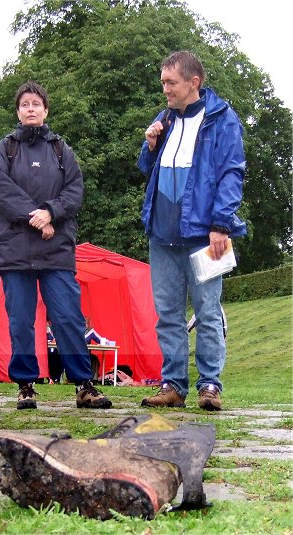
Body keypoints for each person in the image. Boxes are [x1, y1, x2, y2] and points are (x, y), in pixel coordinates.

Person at [0, 80, 111, 410]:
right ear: (18, 111)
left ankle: (83, 384)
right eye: (25, 104)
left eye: (36, 104)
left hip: (55, 248)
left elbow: (75, 190)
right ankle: (26, 385)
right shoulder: (5, 149)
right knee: (20, 320)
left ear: (45, 110)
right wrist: (37, 217)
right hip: (14, 250)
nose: (31, 109)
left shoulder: (61, 150)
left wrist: (51, 213)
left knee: (68, 317)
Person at [137, 51, 246, 411]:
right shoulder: (165, 118)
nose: (165, 89)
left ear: (193, 82)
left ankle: (210, 385)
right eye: (163, 82)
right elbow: (146, 168)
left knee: (208, 311)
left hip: (204, 235)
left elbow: (231, 173)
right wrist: (150, 145)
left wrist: (221, 224)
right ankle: (173, 385)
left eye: (171, 82)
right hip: (161, 234)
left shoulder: (222, 118)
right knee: (167, 314)